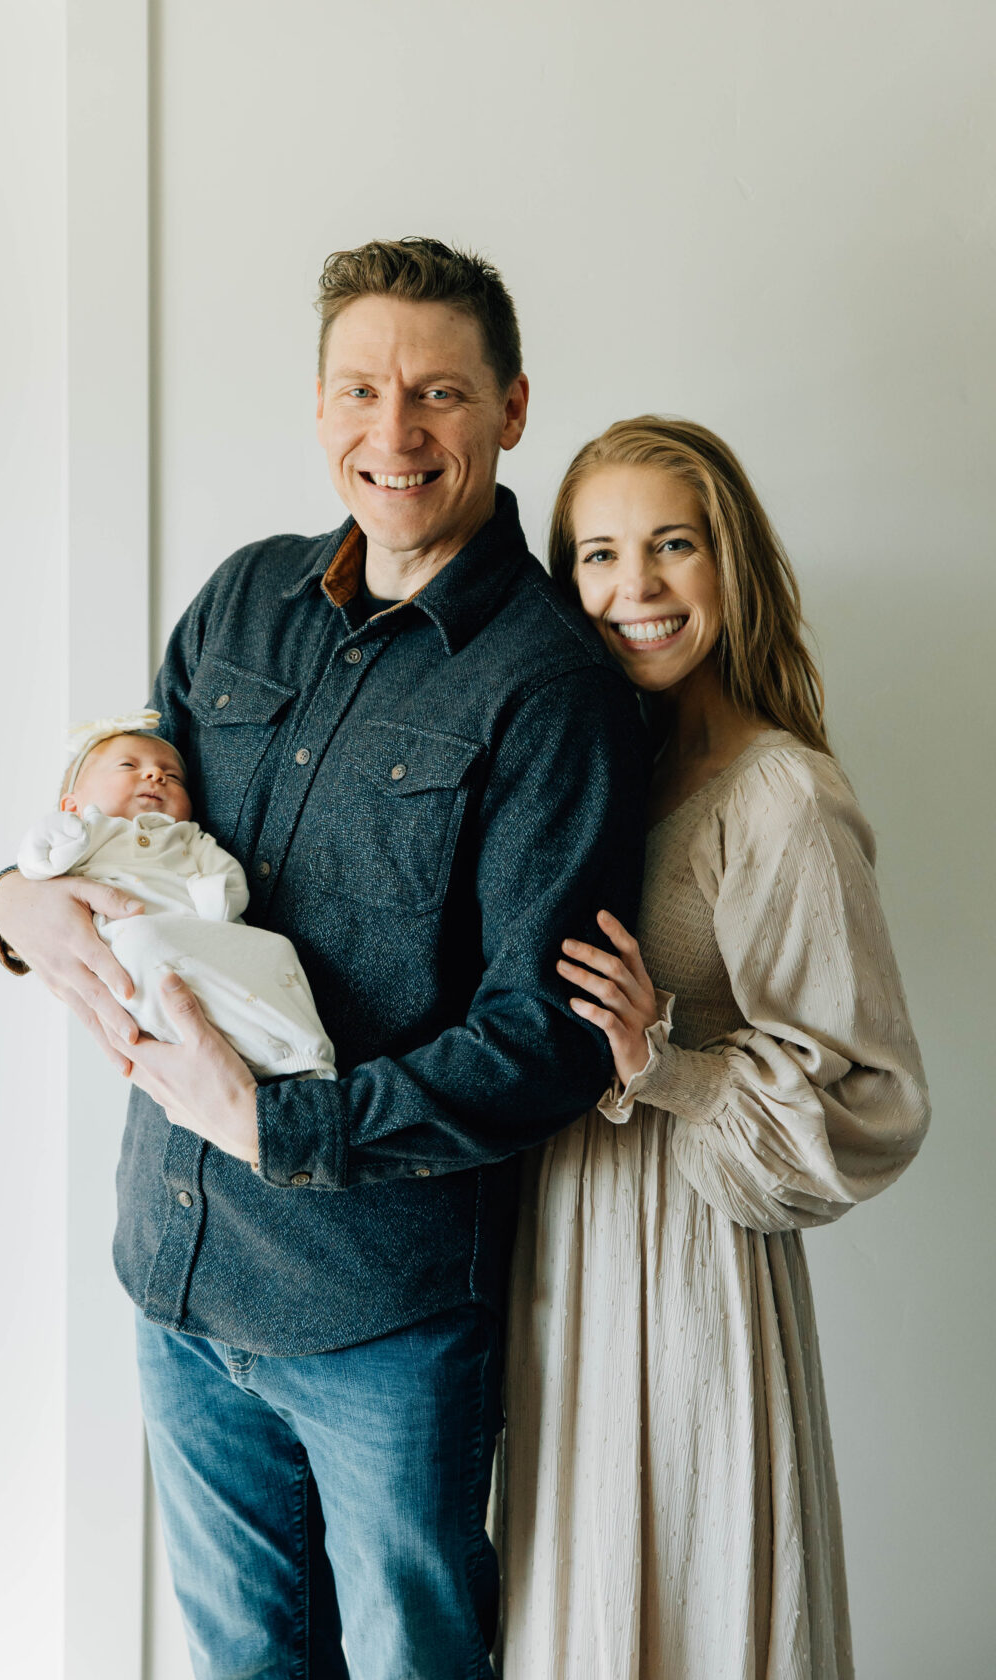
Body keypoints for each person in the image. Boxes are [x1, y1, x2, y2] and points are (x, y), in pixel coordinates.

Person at [0, 237, 649, 1678]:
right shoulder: (239, 599)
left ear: (513, 408)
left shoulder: (553, 691)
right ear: (319, 402)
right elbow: (114, 821)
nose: (393, 432)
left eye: (439, 394)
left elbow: (548, 1033)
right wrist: (8, 902)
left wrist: (285, 1122)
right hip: (174, 1263)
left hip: (383, 1316)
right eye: (360, 387)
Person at [497, 417, 931, 1680]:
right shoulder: (596, 769)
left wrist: (665, 1058)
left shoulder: (780, 798)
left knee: (685, 1601)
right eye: (597, 555)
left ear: (728, 563)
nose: (633, 589)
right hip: (559, 1250)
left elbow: (872, 1097)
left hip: (686, 1269)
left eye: (671, 546)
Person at [16, 711, 335, 1078]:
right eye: (128, 765)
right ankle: (220, 1055)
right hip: (130, 938)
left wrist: (212, 895)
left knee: (276, 950)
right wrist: (63, 837)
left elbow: (228, 882)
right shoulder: (86, 832)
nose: (155, 775)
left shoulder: (188, 839)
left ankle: (300, 1050)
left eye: (173, 776)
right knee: (142, 944)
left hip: (201, 935)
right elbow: (36, 861)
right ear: (72, 804)